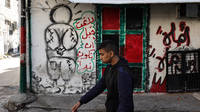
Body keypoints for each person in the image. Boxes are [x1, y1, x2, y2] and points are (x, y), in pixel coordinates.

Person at [71, 40, 134, 112]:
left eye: (102, 54)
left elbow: (125, 105)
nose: (100, 57)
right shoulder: (110, 68)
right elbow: (98, 87)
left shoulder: (123, 74)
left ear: (111, 53)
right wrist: (81, 101)